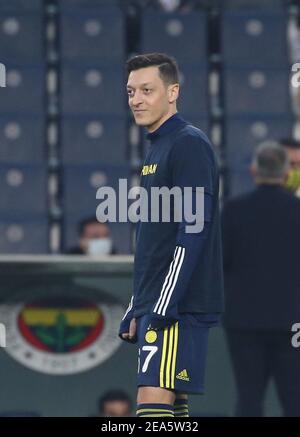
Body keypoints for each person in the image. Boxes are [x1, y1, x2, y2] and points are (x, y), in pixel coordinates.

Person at [118, 53, 224, 418]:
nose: (136, 99)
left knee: (153, 401)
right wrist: (139, 303)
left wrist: (162, 303)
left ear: (173, 92)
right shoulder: (159, 146)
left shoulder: (187, 144)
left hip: (177, 304)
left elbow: (194, 229)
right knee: (170, 407)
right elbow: (155, 239)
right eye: (131, 91)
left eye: (147, 90)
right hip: (160, 301)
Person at [222, 141, 300, 417]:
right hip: (293, 322)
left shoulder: (234, 210)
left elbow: (221, 261)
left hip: (244, 322)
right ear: (287, 171)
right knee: (295, 399)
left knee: (249, 398)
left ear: (254, 170)